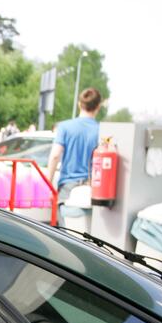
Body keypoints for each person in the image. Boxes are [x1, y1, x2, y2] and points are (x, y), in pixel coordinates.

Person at [47, 87, 102, 224]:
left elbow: (55, 156)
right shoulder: (101, 130)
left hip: (68, 187)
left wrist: (48, 184)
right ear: (98, 107)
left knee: (66, 233)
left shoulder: (65, 127)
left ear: (79, 104)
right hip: (92, 189)